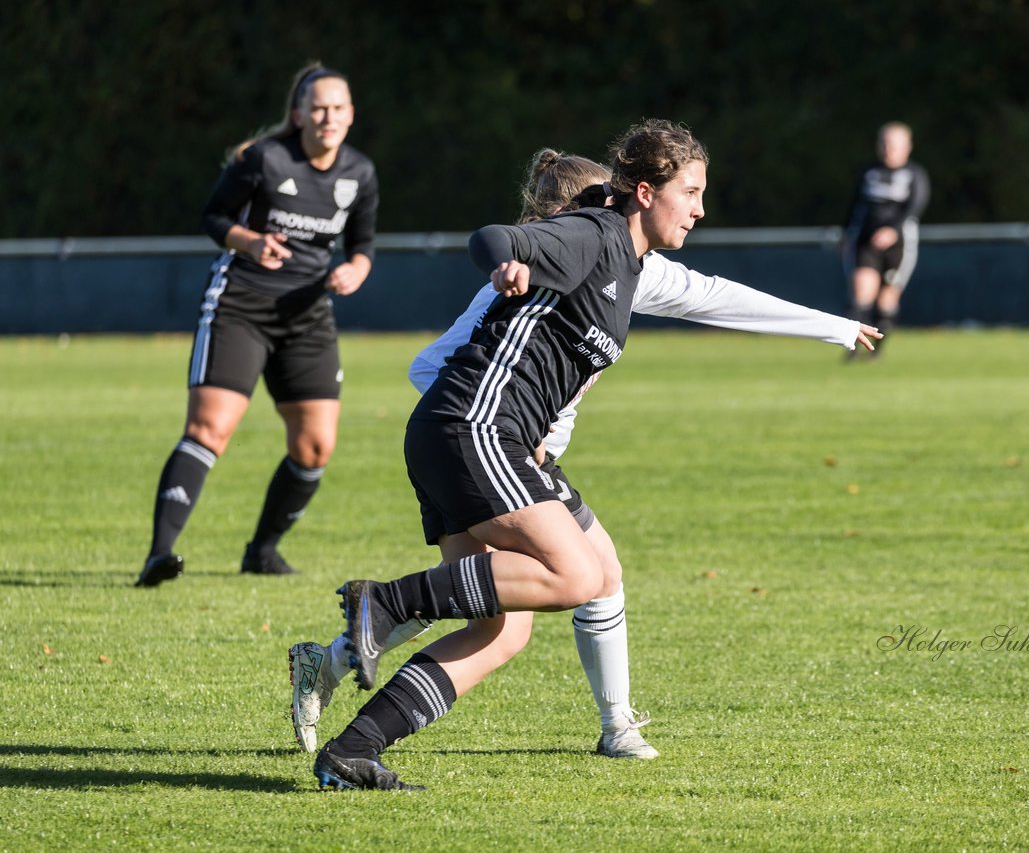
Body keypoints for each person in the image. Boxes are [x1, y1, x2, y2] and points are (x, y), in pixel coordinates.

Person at [307, 123, 881, 790]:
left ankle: (354, 749)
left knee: (501, 632)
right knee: (582, 576)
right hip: (476, 430)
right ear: (644, 191)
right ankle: (381, 604)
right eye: (690, 192)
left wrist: (834, 326)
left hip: (476, 437)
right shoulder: (592, 233)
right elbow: (494, 237)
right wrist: (507, 259)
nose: (700, 208)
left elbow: (718, 297)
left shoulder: (632, 263)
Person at [135, 63, 378, 587]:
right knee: (209, 429)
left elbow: (362, 246)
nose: (327, 116)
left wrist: (355, 270)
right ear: (299, 114)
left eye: (338, 107)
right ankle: (159, 555)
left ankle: (262, 551)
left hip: (308, 315)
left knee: (315, 446)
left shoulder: (360, 173)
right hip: (241, 305)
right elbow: (213, 217)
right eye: (317, 107)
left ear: (351, 114)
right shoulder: (263, 160)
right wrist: (249, 242)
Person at [842, 121, 929, 359]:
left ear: (907, 147)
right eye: (884, 143)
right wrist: (846, 233)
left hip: (899, 246)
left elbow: (916, 206)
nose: (887, 149)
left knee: (886, 300)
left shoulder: (914, 174)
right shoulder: (869, 172)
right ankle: (851, 349)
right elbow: (854, 205)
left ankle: (875, 352)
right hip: (867, 242)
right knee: (861, 294)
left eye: (894, 144)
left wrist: (893, 230)